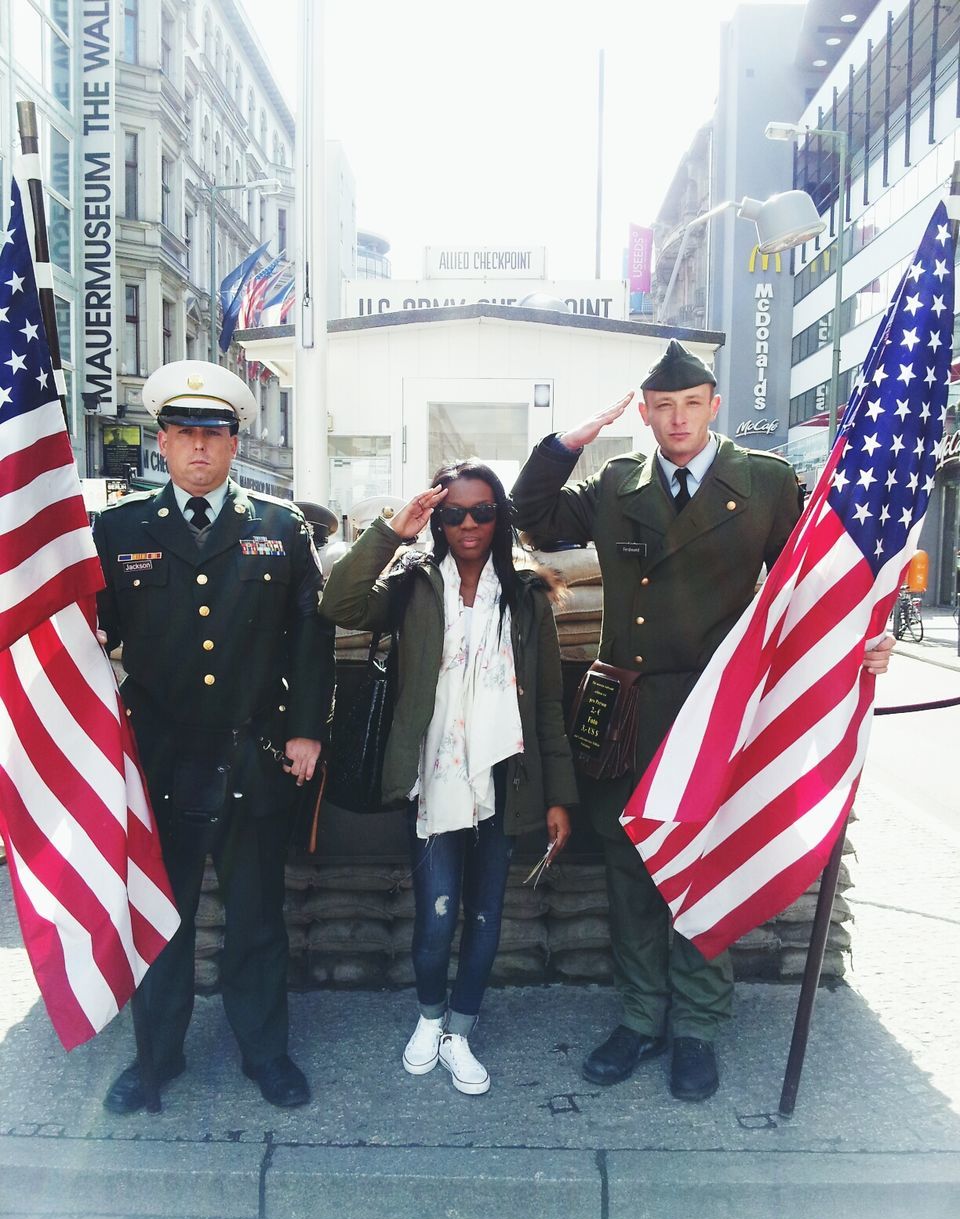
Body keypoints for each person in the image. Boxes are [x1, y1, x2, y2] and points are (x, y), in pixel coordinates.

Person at [512, 339, 893, 1102]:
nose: (677, 418)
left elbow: (808, 583)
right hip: (626, 711)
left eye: (691, 404)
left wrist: (861, 638)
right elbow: (535, 519)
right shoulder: (618, 483)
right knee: (631, 874)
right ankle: (641, 1018)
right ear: (646, 414)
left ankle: (698, 1028)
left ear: (714, 406)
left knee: (702, 870)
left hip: (717, 715)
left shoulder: (765, 481)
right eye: (663, 407)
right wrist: (568, 441)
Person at [93, 359, 334, 1114]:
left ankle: (267, 1055)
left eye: (214, 435)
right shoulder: (119, 528)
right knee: (162, 918)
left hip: (252, 752)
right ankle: (154, 1059)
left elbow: (310, 639)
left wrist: (305, 732)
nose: (199, 448)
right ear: (160, 443)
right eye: (185, 434)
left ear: (235, 445)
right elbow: (87, 639)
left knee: (257, 918)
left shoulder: (280, 527)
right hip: (159, 756)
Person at [320, 461, 578, 1094]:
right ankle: (430, 1018)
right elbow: (340, 601)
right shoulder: (413, 586)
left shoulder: (525, 597)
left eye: (482, 512)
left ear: (500, 517)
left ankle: (460, 1030)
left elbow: (546, 704)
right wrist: (393, 531)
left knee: (486, 915)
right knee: (436, 915)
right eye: (453, 512)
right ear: (436, 517)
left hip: (504, 780)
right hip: (432, 779)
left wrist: (559, 797)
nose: (468, 524)